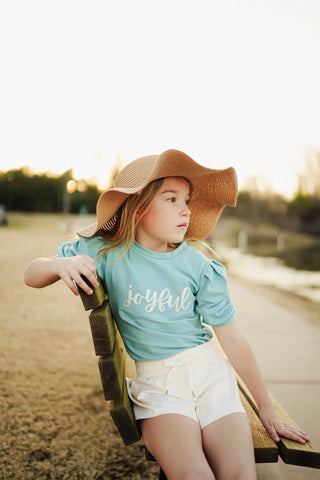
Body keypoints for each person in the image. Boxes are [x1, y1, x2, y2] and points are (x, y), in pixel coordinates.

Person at [24, 149, 309, 480]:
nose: (185, 210)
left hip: (211, 376)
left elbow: (231, 335)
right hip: (159, 385)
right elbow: (32, 274)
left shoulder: (199, 265)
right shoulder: (105, 253)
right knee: (193, 475)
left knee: (240, 475)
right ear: (138, 206)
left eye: (186, 200)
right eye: (171, 199)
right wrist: (61, 265)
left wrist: (265, 408)